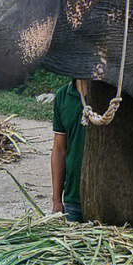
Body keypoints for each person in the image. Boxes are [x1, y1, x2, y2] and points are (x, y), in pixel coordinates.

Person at [51, 77, 90, 221]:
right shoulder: (63, 95)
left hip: (104, 197)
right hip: (73, 197)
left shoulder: (110, 95)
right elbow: (59, 149)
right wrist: (56, 201)